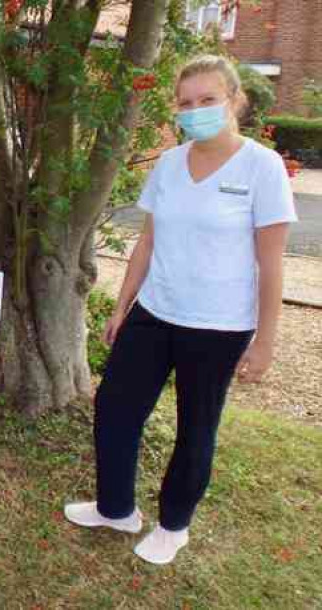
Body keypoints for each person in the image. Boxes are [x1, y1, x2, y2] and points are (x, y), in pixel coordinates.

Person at [64, 55, 297, 565]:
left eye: (208, 100)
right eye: (186, 103)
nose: (196, 111)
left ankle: (174, 525)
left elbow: (271, 262)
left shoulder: (263, 167)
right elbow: (148, 241)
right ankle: (116, 508)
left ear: (235, 102)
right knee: (115, 409)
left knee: (197, 426)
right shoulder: (170, 163)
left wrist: (265, 341)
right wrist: (123, 305)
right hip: (154, 311)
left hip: (219, 325)